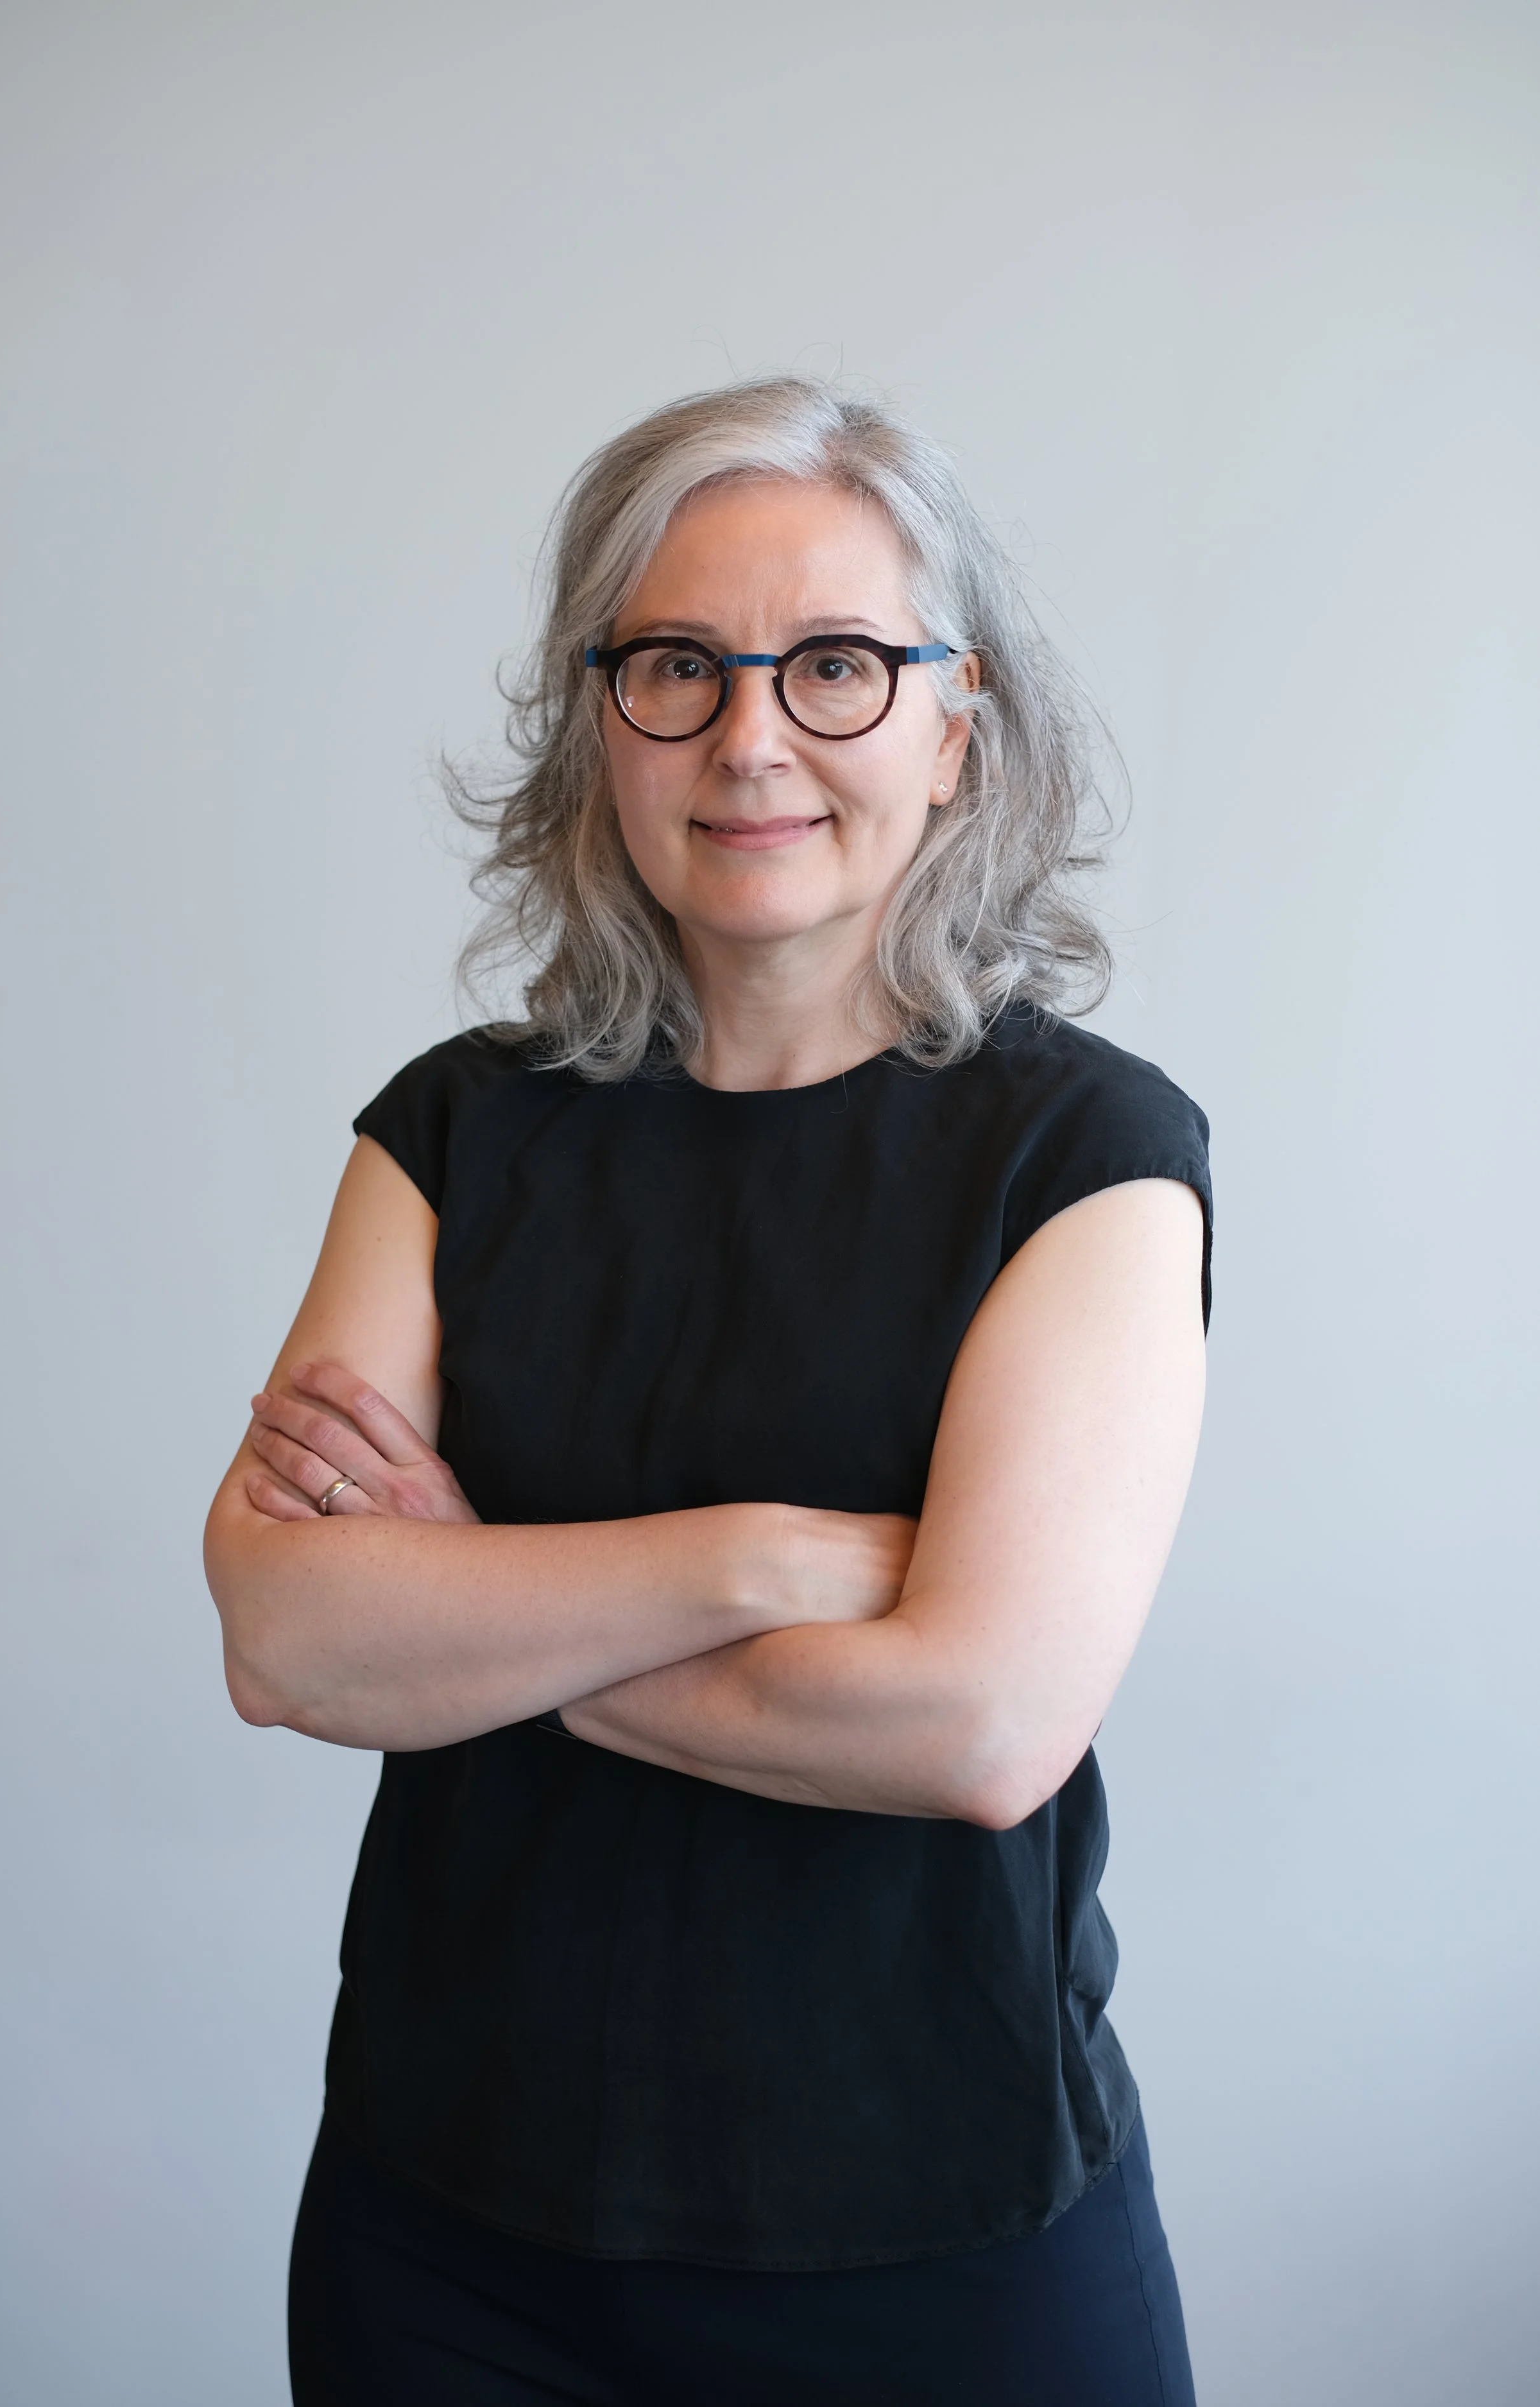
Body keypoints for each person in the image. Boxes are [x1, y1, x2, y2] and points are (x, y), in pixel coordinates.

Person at [204, 377, 1211, 2406]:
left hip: (939, 2244)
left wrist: (478, 1609)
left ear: (958, 726)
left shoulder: (1086, 1155)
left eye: (834, 665)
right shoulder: (450, 1133)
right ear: (600, 725)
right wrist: (760, 1560)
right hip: (452, 2238)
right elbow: (287, 1637)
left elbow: (982, 1719)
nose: (750, 736)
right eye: (674, 665)